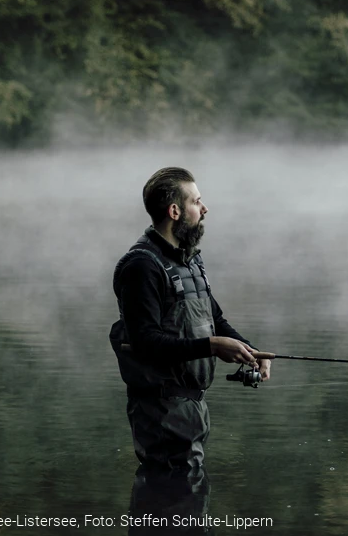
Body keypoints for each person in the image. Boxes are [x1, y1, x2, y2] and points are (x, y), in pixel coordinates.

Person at [109, 167, 270, 470]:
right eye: (196, 202)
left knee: (190, 503)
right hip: (160, 410)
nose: (204, 208)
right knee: (171, 501)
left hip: (191, 408)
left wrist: (249, 350)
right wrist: (211, 346)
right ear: (175, 211)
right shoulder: (142, 266)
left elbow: (215, 318)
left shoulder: (189, 258)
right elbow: (145, 342)